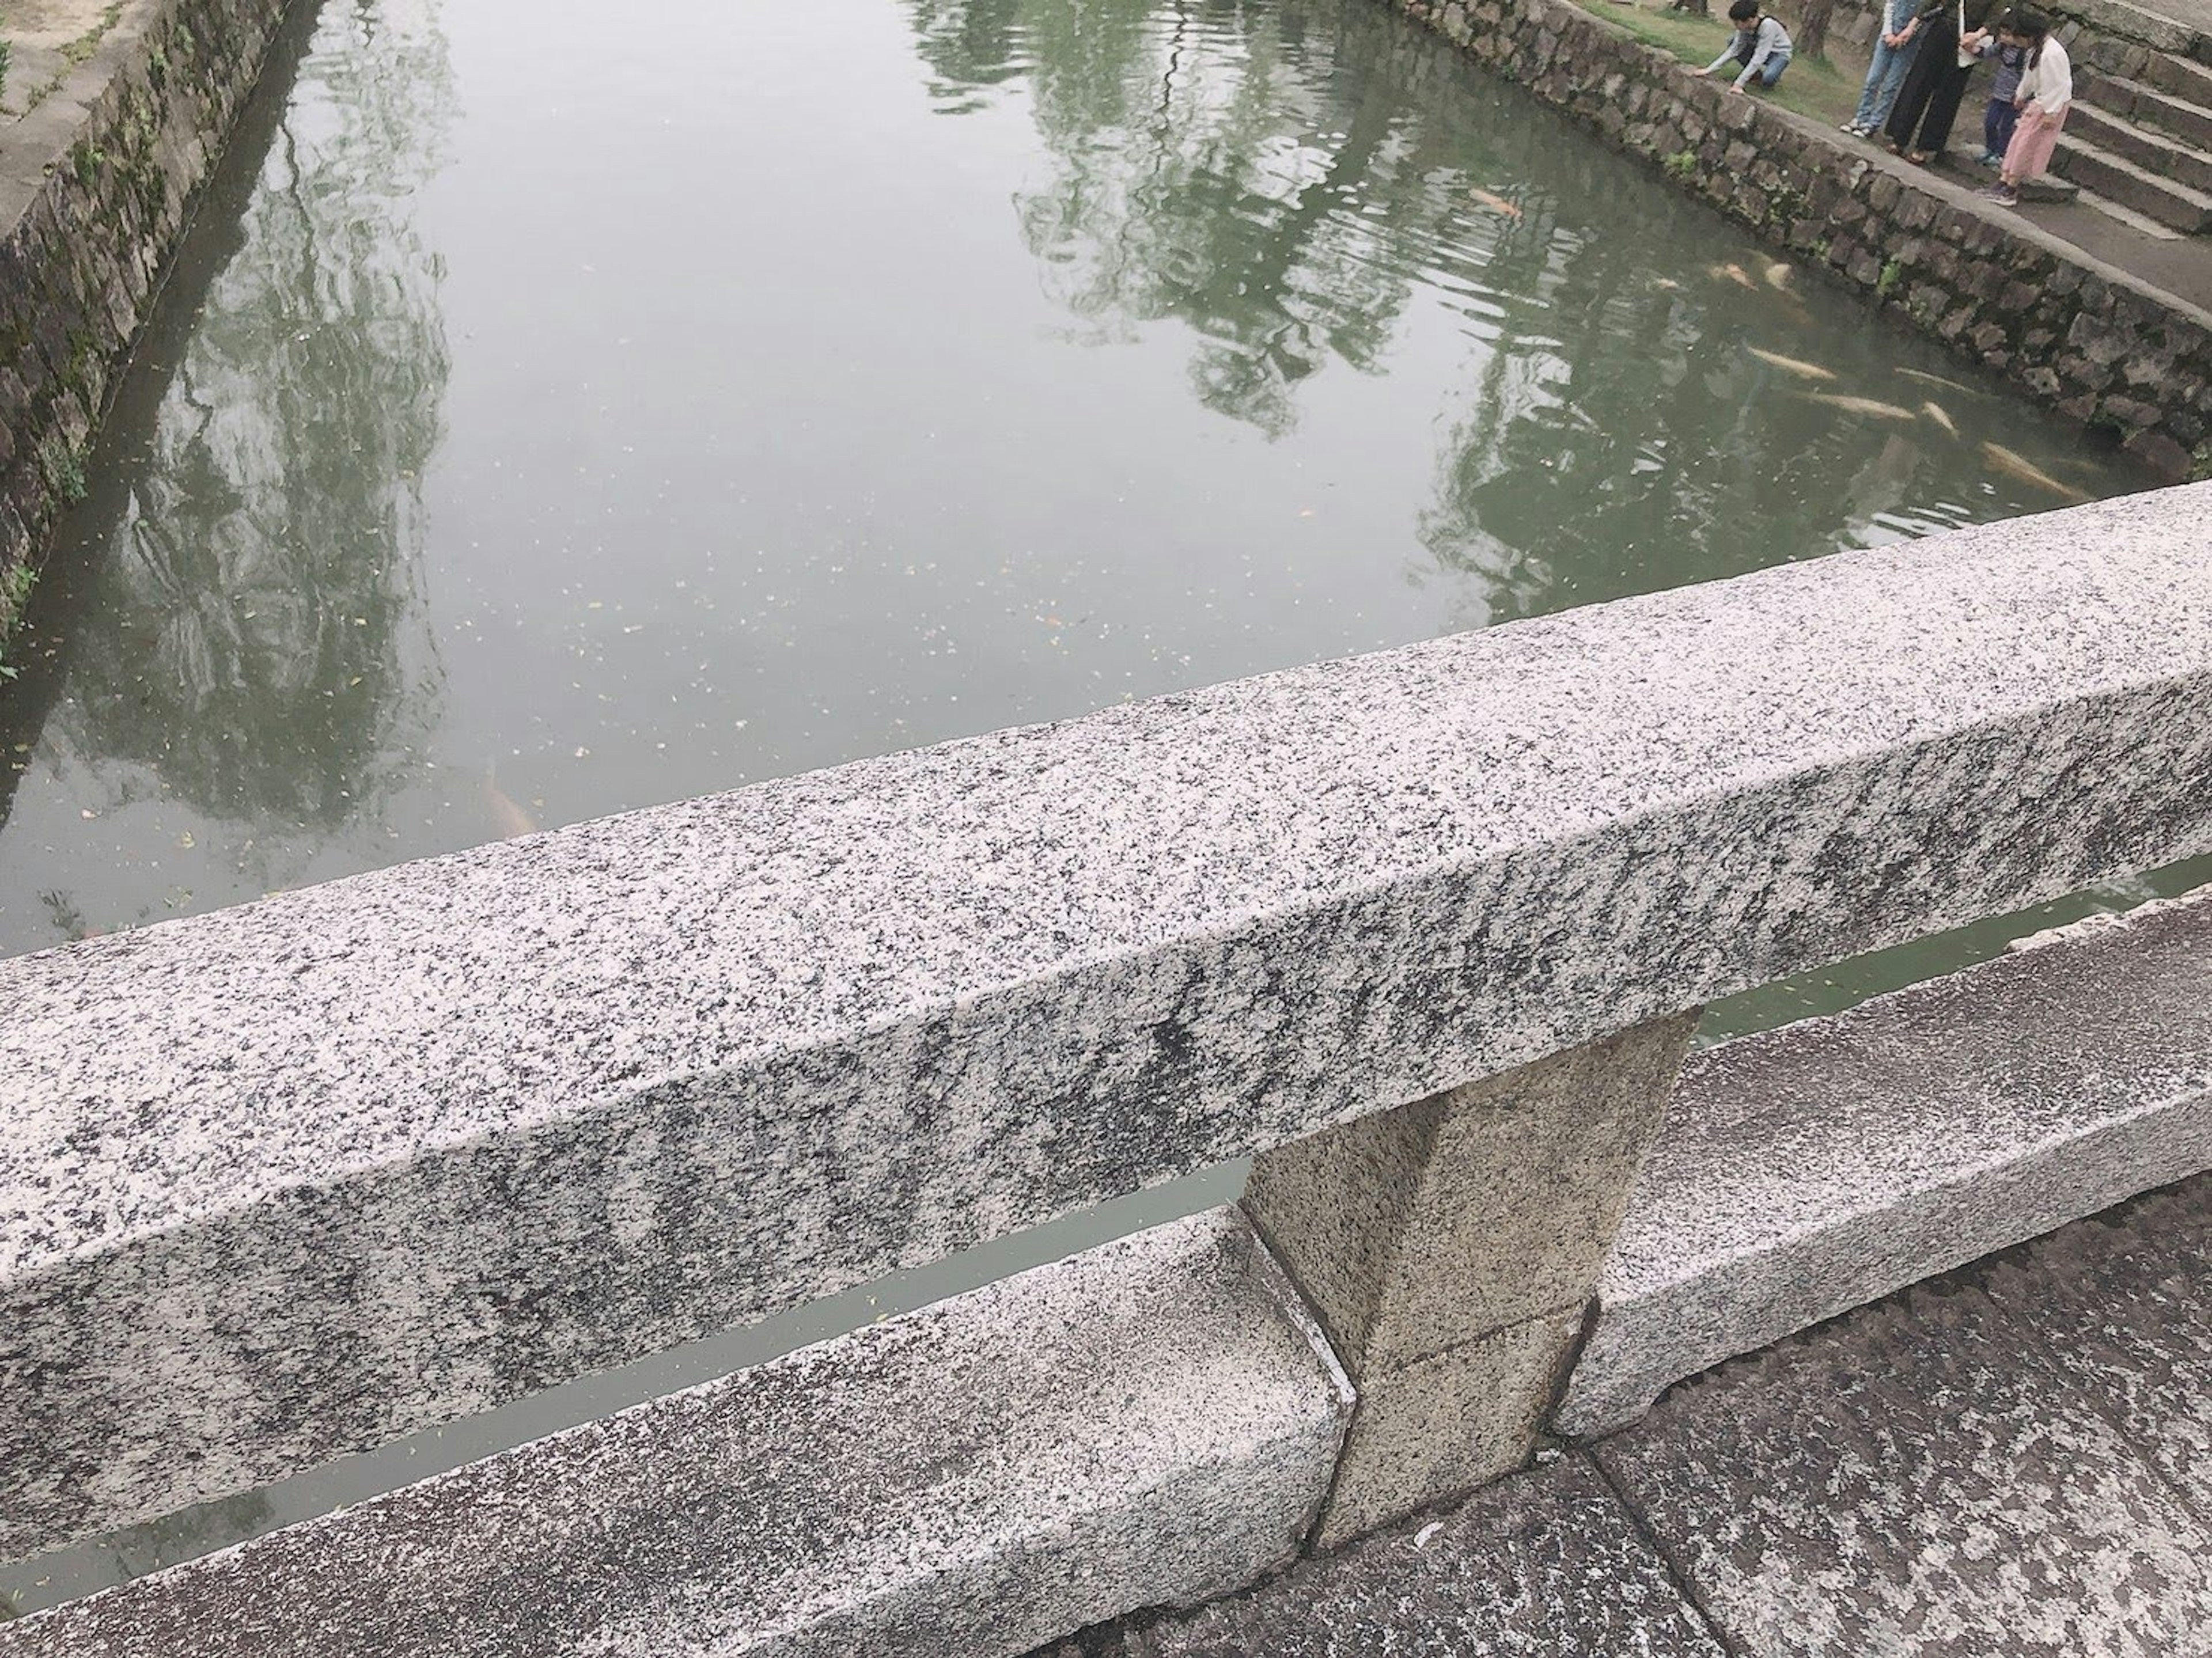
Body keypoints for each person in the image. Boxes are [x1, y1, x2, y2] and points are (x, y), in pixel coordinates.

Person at [1883, 0, 1996, 163]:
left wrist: (1978, 35)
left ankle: (1926, 146)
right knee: (1918, 81)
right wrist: (1914, 24)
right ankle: (1899, 137)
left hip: (1969, 37)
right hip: (1942, 26)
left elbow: (1997, 15)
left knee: (1948, 93)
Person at [1986, 10, 2071, 206]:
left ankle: (2011, 188)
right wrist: (2021, 94)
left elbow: (2060, 86)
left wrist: (2052, 112)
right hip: (2040, 102)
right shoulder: (2037, 50)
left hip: (2049, 105)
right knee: (2018, 141)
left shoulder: (2052, 54)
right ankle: (2004, 180)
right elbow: (2030, 75)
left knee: (2027, 145)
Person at [1843, 0, 1925, 136]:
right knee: (1873, 79)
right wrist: (1888, 33)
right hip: (1887, 37)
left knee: (1891, 85)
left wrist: (1904, 37)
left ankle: (1873, 123)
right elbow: (1890, 6)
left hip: (1909, 42)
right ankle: (1861, 117)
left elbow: (1923, 17)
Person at [1966, 12, 2028, 166]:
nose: (2004, 38)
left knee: (2006, 127)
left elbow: (2028, 79)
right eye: (2002, 34)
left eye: (2008, 35)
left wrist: (2022, 95)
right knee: (1990, 123)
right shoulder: (2001, 47)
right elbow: (1984, 53)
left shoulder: (2025, 55)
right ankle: (1990, 148)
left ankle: (2001, 154)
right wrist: (1971, 48)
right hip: (1998, 94)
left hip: (2014, 99)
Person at [1693, 0, 1795, 93]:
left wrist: (1739, 84)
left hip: (1779, 55)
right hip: (1758, 49)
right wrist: (1708, 70)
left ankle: (1772, 74)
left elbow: (1759, 57)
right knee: (1732, 41)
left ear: (1750, 20)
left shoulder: (1768, 26)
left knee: (1768, 79)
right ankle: (1755, 75)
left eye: (1737, 22)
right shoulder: (1744, 29)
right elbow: (1734, 50)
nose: (1735, 25)